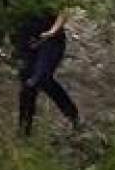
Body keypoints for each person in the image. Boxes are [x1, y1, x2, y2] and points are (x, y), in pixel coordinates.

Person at [15, 9, 81, 137]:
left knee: (39, 79)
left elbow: (64, 11)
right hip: (26, 42)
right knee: (28, 86)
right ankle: (23, 132)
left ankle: (72, 115)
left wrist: (52, 31)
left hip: (50, 41)